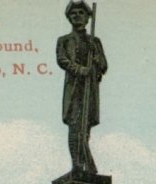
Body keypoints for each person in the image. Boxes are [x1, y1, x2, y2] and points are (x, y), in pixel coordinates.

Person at [56, 0, 108, 174]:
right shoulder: (64, 40)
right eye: (73, 14)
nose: (77, 16)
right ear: (69, 18)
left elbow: (104, 66)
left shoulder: (95, 41)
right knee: (74, 125)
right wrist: (80, 70)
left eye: (81, 13)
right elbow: (62, 60)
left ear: (87, 17)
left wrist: (96, 57)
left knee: (85, 127)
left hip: (90, 88)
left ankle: (86, 164)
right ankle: (77, 164)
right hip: (74, 88)